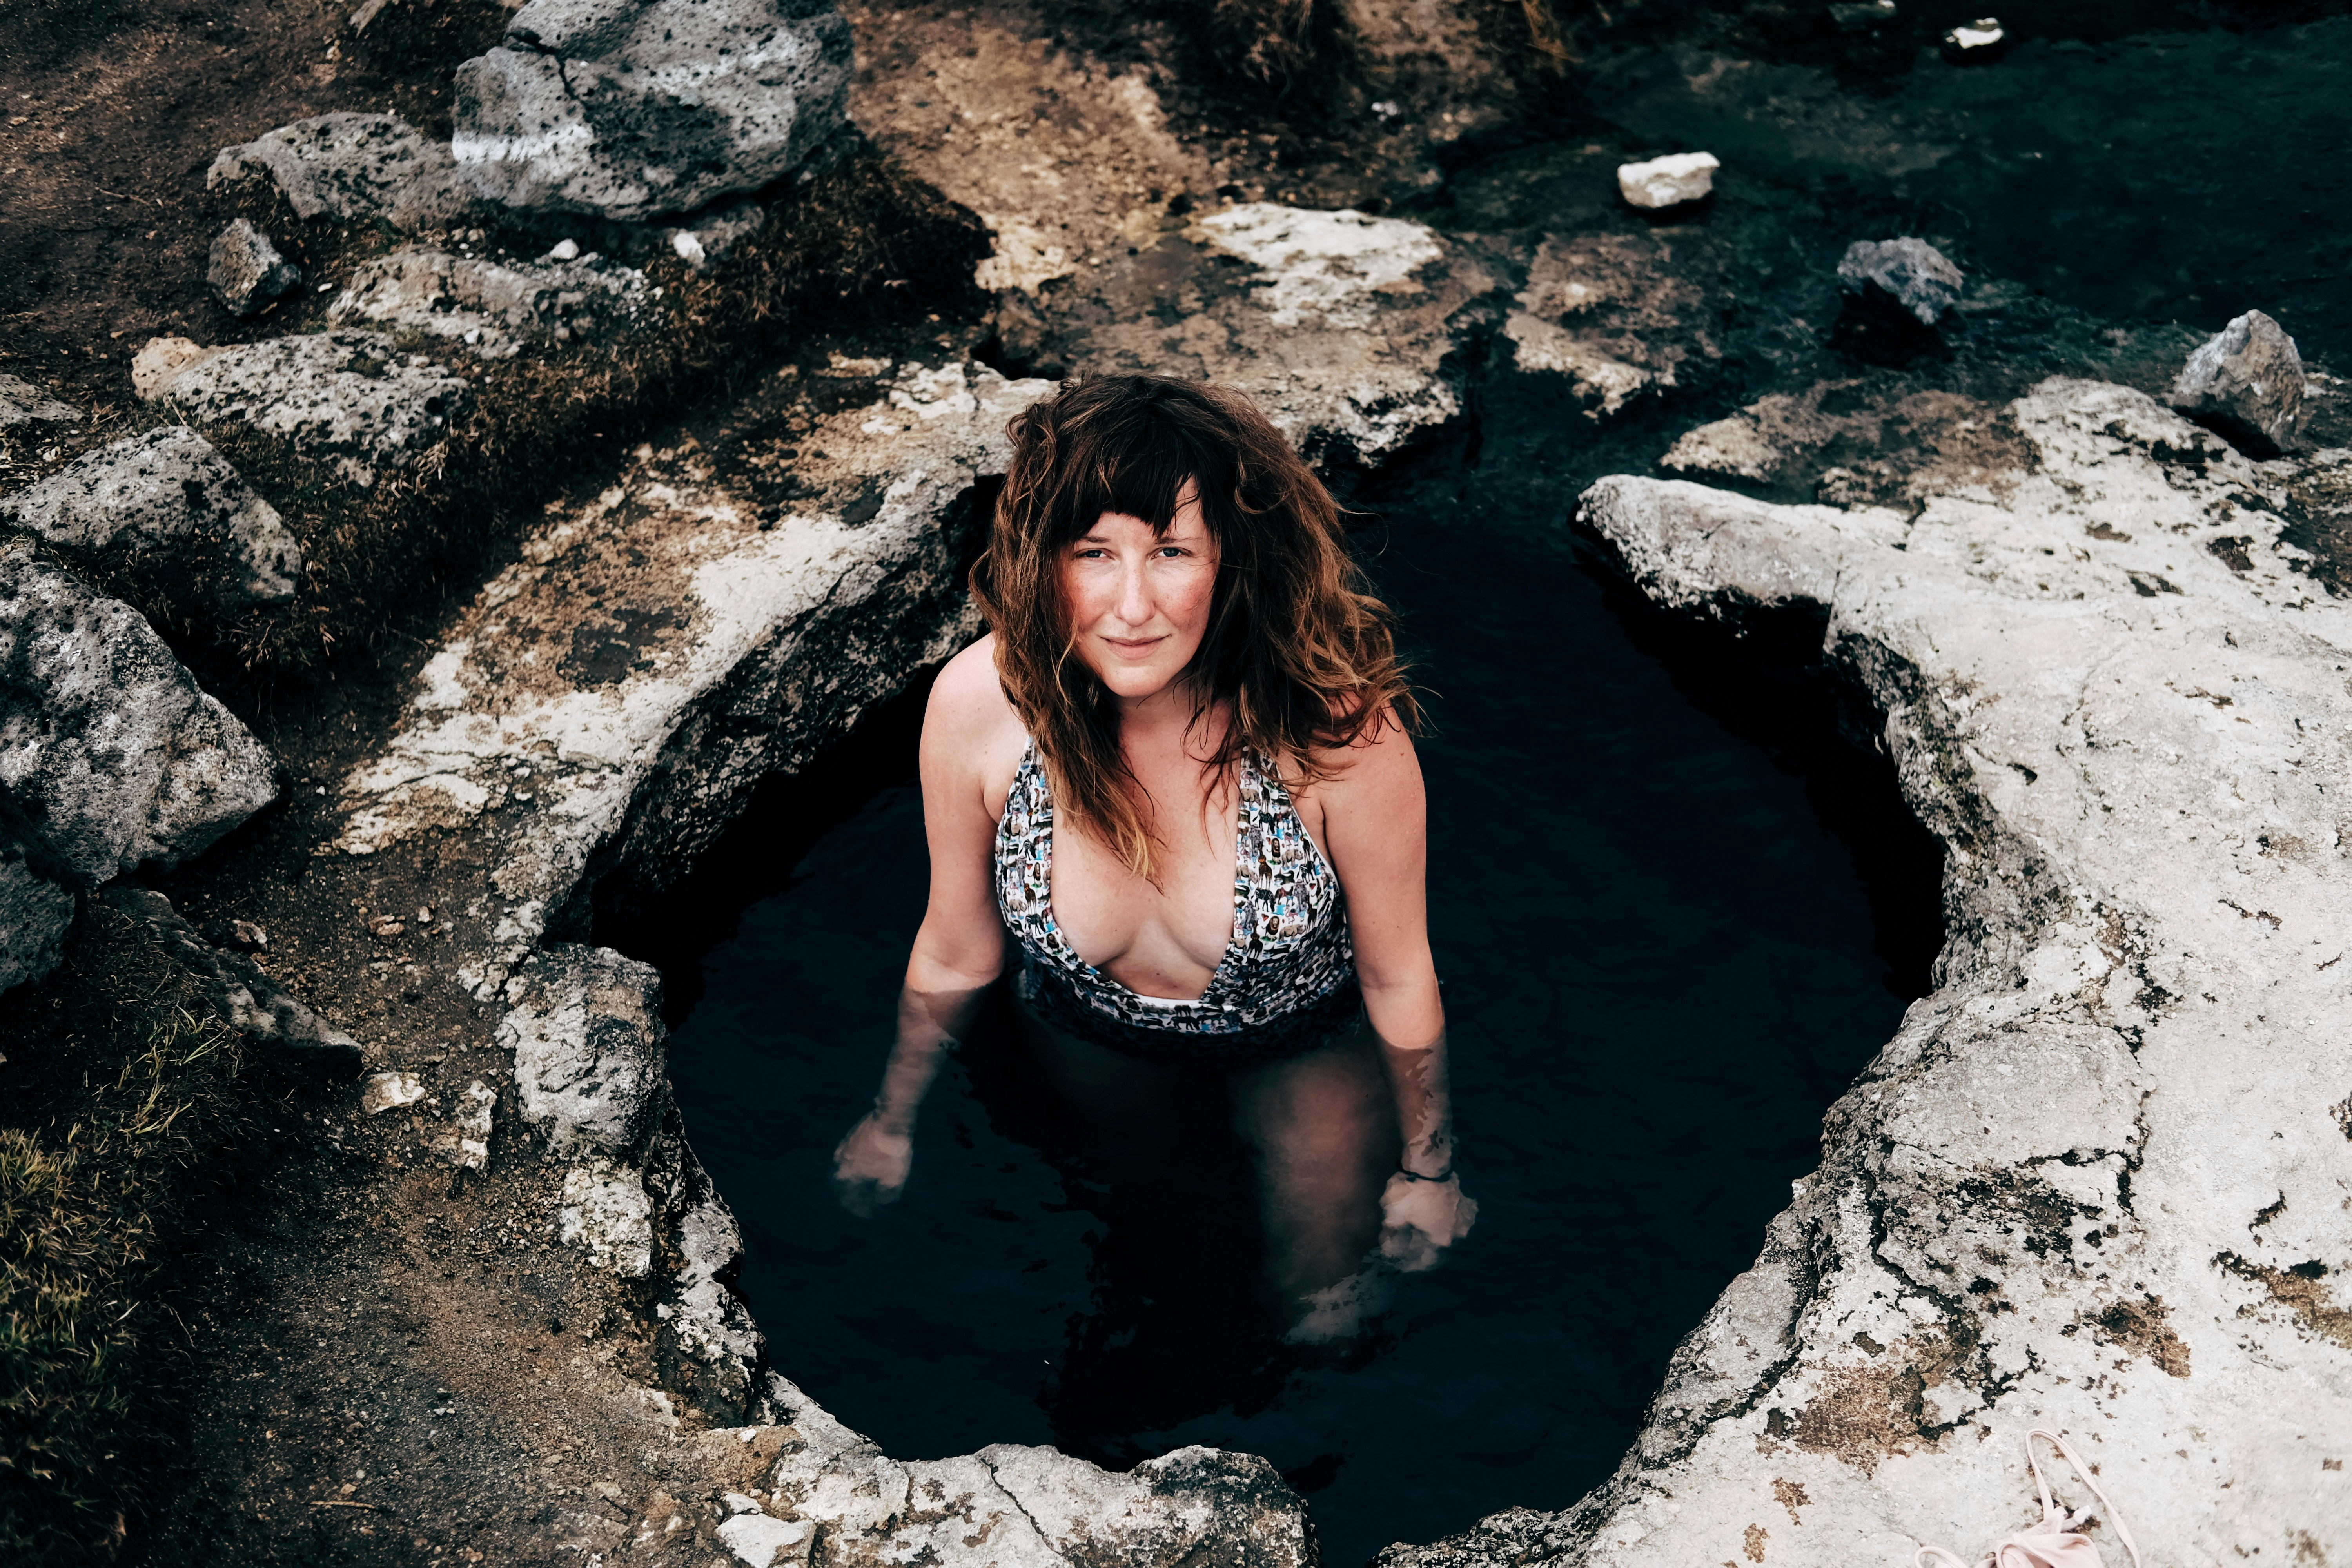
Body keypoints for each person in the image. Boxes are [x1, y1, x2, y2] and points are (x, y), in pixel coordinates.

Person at [831, 372, 1473, 1339]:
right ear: (1045, 561)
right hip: (1087, 1038)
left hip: (1298, 1042)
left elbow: (1397, 973)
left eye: (1172, 550)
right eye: (1095, 552)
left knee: (1328, 1314)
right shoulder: (982, 706)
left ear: (1232, 559)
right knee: (1137, 1240)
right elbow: (960, 946)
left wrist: (1431, 1168)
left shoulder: (1335, 734)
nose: (1131, 605)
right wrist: (892, 1119)